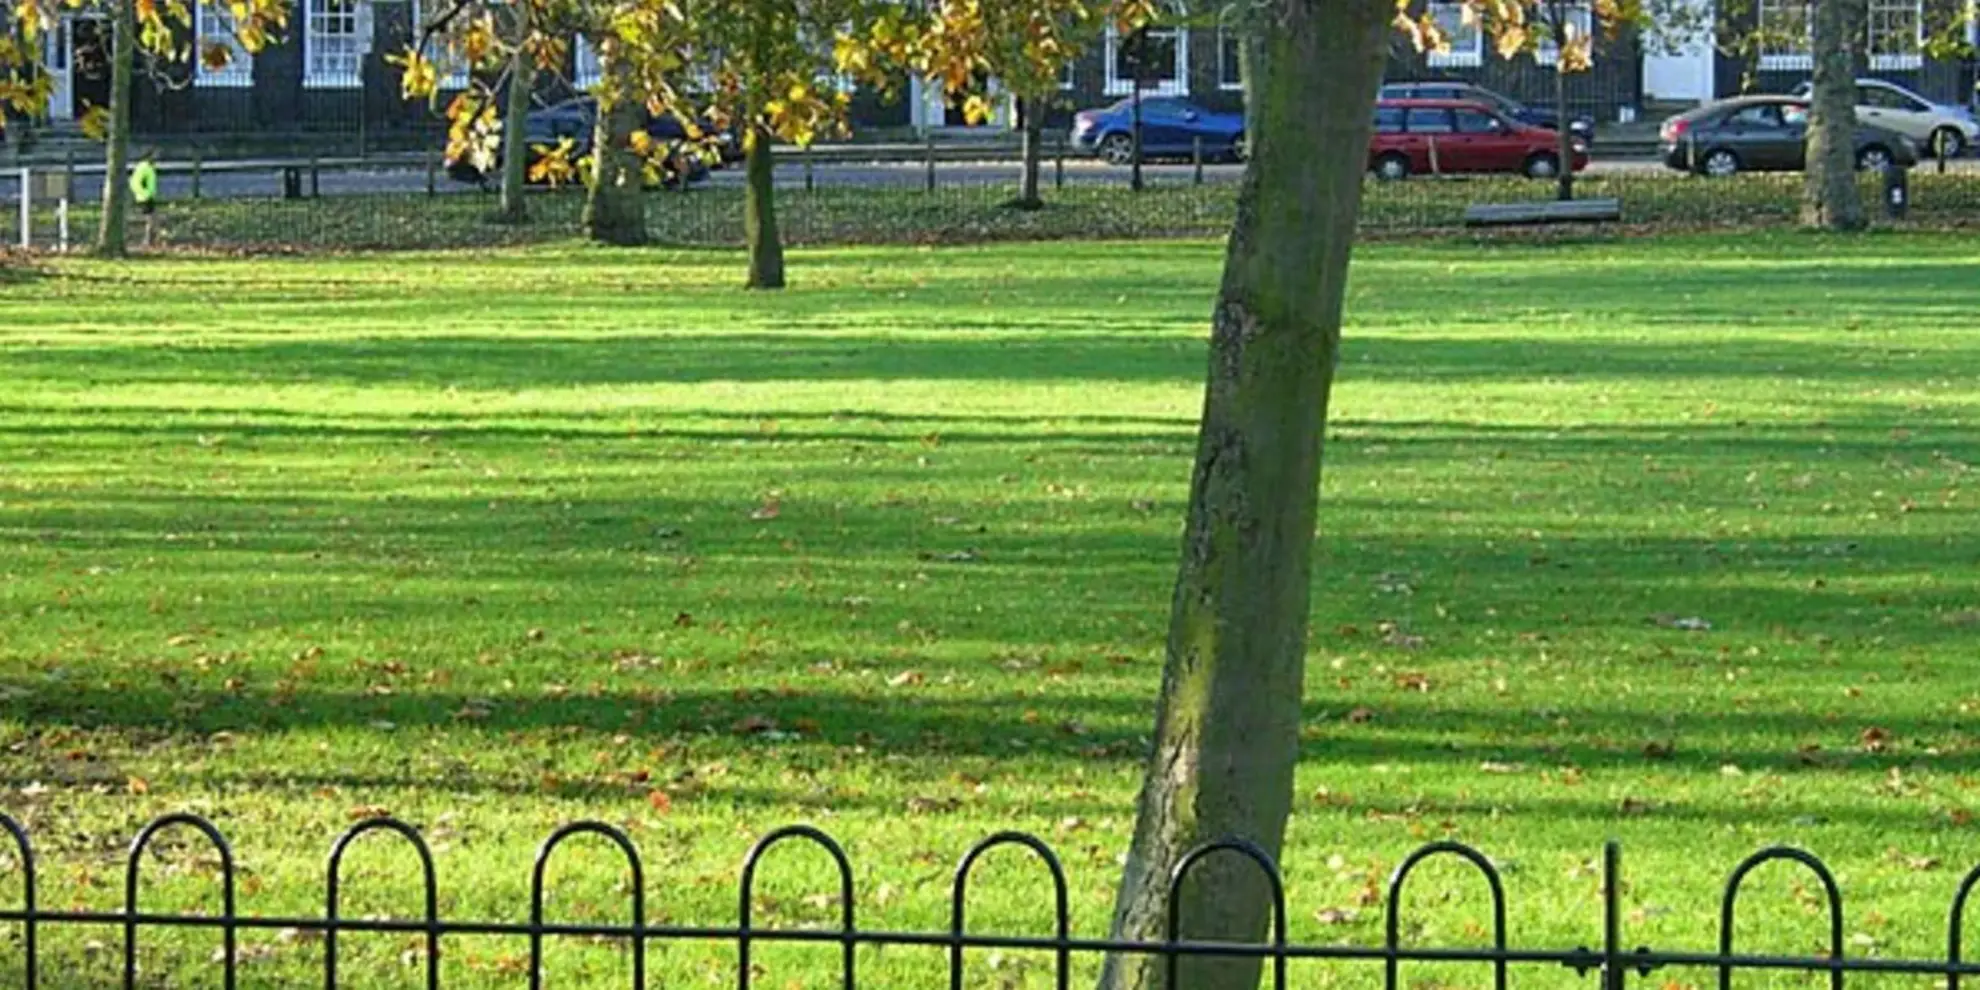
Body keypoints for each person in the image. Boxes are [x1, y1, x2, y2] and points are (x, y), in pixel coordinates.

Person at [130, 149, 159, 247]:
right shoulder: (143, 167)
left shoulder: (149, 167)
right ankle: (148, 241)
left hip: (149, 197)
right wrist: (145, 193)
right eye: (154, 155)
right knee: (151, 220)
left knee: (153, 220)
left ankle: (150, 240)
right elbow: (135, 183)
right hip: (145, 198)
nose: (156, 158)